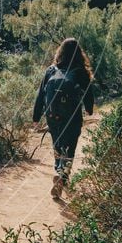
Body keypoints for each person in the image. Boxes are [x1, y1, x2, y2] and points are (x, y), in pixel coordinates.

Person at [32, 38, 94, 199]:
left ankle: (58, 171)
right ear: (79, 53)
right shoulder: (80, 71)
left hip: (53, 115)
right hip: (72, 116)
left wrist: (36, 116)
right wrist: (89, 109)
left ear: (61, 52)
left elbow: (41, 94)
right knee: (70, 147)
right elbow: (88, 93)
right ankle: (62, 177)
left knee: (58, 145)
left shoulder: (51, 70)